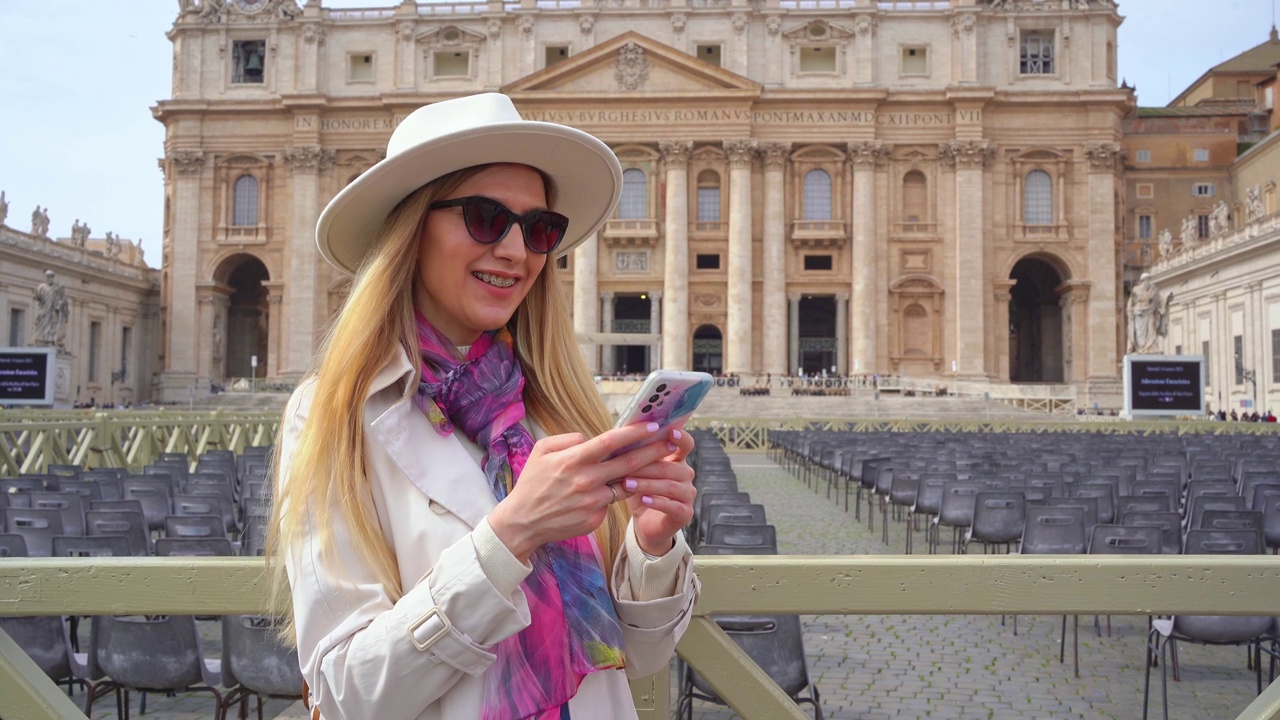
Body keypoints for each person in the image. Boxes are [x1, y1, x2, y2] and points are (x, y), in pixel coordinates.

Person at [267, 93, 699, 720]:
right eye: (485, 218)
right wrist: (510, 535)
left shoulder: (553, 404)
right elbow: (343, 695)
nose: (517, 251)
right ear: (411, 232)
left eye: (539, 229)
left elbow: (639, 656)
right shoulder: (333, 414)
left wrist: (650, 546)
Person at [33, 269, 69, 348]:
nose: (49, 279)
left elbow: (62, 299)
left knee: (53, 325)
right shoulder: (41, 287)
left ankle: (51, 340)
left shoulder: (58, 287)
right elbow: (36, 297)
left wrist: (59, 306)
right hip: (44, 309)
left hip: (53, 310)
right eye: (47, 277)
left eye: (51, 277)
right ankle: (41, 339)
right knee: (41, 323)